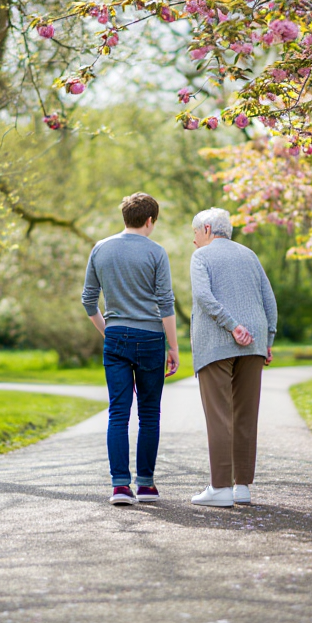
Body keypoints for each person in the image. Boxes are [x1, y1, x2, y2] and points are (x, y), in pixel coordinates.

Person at [82, 193, 179, 506]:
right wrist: (173, 347)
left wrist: (107, 330)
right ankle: (147, 485)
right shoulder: (156, 252)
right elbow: (165, 303)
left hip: (116, 338)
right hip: (151, 339)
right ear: (150, 221)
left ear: (125, 217)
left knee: (118, 413)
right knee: (149, 414)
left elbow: (88, 300)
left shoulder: (100, 249)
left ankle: (120, 486)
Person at [189, 208, 278, 508]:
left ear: (208, 228)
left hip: (217, 342)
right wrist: (269, 339)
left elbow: (203, 296)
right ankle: (242, 487)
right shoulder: (249, 255)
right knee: (245, 415)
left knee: (220, 416)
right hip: (255, 343)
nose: (194, 240)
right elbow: (269, 300)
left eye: (195, 233)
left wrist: (232, 325)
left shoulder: (201, 257)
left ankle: (220, 488)